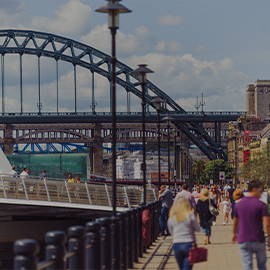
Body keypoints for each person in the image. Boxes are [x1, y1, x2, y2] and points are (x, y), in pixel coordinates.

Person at [232, 180, 270, 270]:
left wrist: (233, 233)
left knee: (247, 266)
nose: (262, 192)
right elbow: (267, 224)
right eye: (260, 190)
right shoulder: (261, 205)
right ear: (254, 189)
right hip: (258, 239)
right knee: (261, 266)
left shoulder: (239, 205)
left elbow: (235, 222)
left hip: (243, 239)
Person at [168, 197, 201, 270]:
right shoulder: (190, 215)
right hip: (188, 244)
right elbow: (198, 229)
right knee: (187, 267)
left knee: (181, 267)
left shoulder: (172, 216)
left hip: (176, 244)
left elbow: (171, 231)